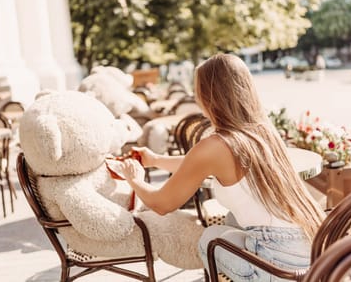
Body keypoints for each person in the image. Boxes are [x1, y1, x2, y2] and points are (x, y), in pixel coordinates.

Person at [120, 53, 325, 281]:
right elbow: (194, 165)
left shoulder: (216, 145)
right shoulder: (260, 130)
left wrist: (134, 179)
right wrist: (156, 160)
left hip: (281, 262)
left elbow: (161, 204)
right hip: (308, 248)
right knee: (229, 223)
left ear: (207, 96)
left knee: (210, 241)